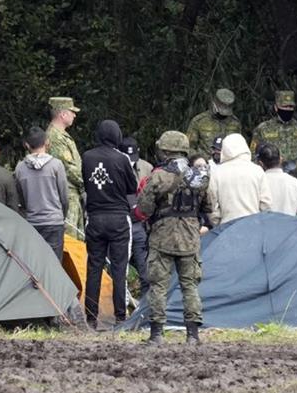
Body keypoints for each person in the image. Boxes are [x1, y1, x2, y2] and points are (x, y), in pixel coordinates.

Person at [135, 131, 212, 345]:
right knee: (190, 286)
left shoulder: (158, 176)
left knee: (158, 286)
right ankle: (193, 336)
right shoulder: (200, 177)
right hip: (189, 237)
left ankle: (157, 334)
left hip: (162, 236)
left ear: (165, 150)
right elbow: (209, 208)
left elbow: (143, 208)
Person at [81, 120, 138, 328]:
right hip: (118, 218)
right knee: (119, 268)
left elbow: (86, 182)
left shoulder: (87, 157)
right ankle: (120, 317)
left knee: (94, 267)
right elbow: (132, 187)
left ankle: (91, 317)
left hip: (95, 218)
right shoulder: (122, 159)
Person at [14, 127, 69, 260]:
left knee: (35, 265)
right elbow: (64, 197)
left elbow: (21, 198)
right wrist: (63, 216)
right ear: (47, 142)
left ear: (26, 145)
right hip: (54, 222)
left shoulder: (20, 168)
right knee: (55, 264)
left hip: (32, 223)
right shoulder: (56, 165)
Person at [208, 133, 271, 225]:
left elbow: (213, 205)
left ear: (224, 149)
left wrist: (217, 224)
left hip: (226, 227)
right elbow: (266, 204)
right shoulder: (257, 170)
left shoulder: (217, 173)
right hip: (253, 225)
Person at [119, 137, 153, 299]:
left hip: (140, 223)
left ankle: (146, 306)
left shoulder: (147, 168)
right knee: (120, 268)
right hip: (120, 222)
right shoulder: (114, 166)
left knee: (145, 269)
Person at [46, 96, 85, 240]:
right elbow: (68, 168)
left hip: (72, 195)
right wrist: (87, 182)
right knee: (70, 240)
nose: (74, 115)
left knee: (77, 240)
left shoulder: (61, 135)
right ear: (63, 114)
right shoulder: (55, 137)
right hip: (67, 195)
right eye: (72, 111)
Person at [250, 90, 297, 161]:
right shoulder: (263, 128)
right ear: (276, 107)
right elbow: (254, 154)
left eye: (290, 106)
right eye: (284, 106)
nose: (288, 109)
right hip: (272, 170)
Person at [257, 143, 297, 218]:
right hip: (290, 228)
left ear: (261, 163)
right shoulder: (295, 183)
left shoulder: (258, 184)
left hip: (265, 228)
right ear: (280, 159)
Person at [186, 88, 241, 157]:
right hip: (205, 163)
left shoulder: (235, 123)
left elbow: (239, 147)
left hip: (228, 163)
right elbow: (188, 147)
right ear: (214, 104)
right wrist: (197, 159)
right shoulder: (199, 121)